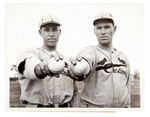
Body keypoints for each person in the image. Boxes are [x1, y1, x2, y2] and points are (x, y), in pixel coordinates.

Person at [69, 12, 130, 108]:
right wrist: (78, 69)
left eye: (107, 27)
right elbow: (83, 65)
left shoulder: (123, 57)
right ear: (94, 31)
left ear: (114, 29)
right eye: (99, 28)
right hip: (96, 109)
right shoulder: (90, 51)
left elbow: (127, 86)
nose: (103, 32)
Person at [17, 14, 75, 108]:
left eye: (54, 30)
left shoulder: (66, 61)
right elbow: (30, 66)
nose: (51, 34)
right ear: (40, 32)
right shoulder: (28, 53)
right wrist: (42, 68)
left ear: (59, 32)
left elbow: (75, 92)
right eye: (47, 30)